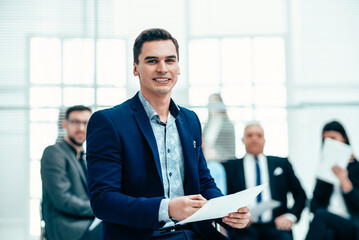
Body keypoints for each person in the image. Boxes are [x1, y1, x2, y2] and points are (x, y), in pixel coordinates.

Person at [85, 28, 250, 240]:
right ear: (135, 68)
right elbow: (103, 201)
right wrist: (168, 208)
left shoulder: (190, 120)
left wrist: (226, 212)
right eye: (152, 61)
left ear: (178, 68)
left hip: (193, 234)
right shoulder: (109, 122)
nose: (162, 69)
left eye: (170, 60)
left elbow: (204, 182)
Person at [222, 122, 307, 240]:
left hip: (276, 226)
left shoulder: (281, 164)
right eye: (250, 135)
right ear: (243, 140)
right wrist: (236, 218)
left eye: (259, 135)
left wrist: (291, 216)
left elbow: (300, 194)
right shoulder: (230, 167)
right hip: (244, 229)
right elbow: (223, 198)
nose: (254, 139)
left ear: (264, 140)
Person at [41, 105, 101, 240]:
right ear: (64, 124)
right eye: (75, 122)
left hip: (86, 223)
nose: (81, 128)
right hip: (68, 229)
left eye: (86, 123)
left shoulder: (84, 157)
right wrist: (99, 209)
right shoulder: (54, 152)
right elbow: (62, 199)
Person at [306, 120, 359, 240]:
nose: (329, 143)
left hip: (351, 223)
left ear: (344, 138)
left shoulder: (357, 168)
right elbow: (314, 205)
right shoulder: (323, 171)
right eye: (325, 140)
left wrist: (345, 182)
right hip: (328, 222)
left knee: (321, 216)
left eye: (333, 138)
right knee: (327, 232)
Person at [203, 93, 236, 162]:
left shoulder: (228, 125)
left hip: (223, 161)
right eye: (210, 102)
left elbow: (230, 150)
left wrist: (216, 154)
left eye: (215, 102)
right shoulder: (207, 125)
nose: (212, 105)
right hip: (208, 160)